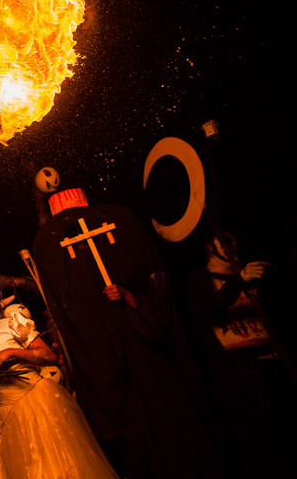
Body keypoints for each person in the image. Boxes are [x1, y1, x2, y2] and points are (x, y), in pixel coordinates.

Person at [31, 186, 224, 478]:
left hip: (149, 357)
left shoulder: (115, 223)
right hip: (108, 356)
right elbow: (72, 318)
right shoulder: (50, 246)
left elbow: (156, 300)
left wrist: (132, 301)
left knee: (173, 430)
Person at [0, 284, 117, 479]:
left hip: (36, 401)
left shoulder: (12, 325)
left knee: (51, 463)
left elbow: (49, 356)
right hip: (4, 413)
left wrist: (12, 352)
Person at [184, 232, 287, 477]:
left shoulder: (249, 276)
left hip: (271, 359)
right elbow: (205, 308)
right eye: (227, 241)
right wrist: (238, 281)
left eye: (234, 240)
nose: (235, 244)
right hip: (238, 368)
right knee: (260, 438)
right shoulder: (200, 278)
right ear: (211, 247)